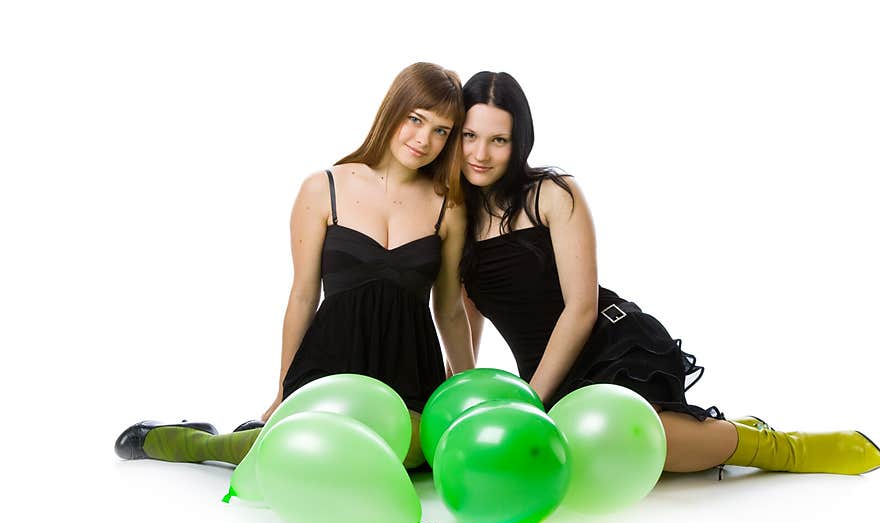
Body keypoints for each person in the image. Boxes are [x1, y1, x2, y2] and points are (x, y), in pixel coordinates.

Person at [455, 71, 878, 476]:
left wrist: (533, 400)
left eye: (499, 140)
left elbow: (581, 308)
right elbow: (462, 313)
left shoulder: (550, 194)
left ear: (519, 141)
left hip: (604, 345)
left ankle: (783, 449)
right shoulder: (454, 216)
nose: (480, 154)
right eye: (470, 136)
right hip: (543, 372)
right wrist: (462, 396)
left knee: (639, 441)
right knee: (597, 463)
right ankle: (725, 432)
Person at [115, 63, 476, 470]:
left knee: (400, 455)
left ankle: (253, 435)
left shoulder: (450, 206)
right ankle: (185, 440)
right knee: (297, 457)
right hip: (329, 363)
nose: (423, 139)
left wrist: (467, 394)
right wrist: (284, 391)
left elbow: (447, 307)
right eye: (416, 119)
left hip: (408, 376)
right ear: (393, 110)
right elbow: (304, 295)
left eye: (441, 130)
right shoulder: (324, 188)